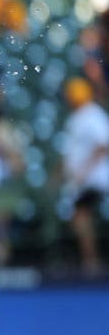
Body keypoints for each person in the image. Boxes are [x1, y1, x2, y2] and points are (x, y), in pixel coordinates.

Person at [60, 77, 109, 276]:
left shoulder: (93, 115)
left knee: (81, 215)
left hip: (95, 180)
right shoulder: (76, 117)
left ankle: (91, 262)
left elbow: (103, 145)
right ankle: (88, 259)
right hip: (80, 181)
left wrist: (84, 171)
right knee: (75, 216)